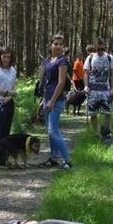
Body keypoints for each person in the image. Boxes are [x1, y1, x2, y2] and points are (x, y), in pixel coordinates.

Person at [39, 34, 73, 170]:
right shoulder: (47, 61)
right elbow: (44, 82)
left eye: (60, 44)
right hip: (47, 98)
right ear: (51, 45)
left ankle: (67, 160)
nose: (58, 46)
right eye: (55, 43)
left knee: (53, 131)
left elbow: (61, 82)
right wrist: (43, 100)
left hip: (56, 100)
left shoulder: (62, 61)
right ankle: (54, 158)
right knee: (49, 131)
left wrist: (52, 100)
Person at [84, 37, 113, 142]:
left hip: (105, 90)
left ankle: (107, 133)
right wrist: (86, 86)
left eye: (102, 49)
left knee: (108, 112)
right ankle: (97, 133)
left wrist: (112, 88)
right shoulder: (90, 58)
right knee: (93, 113)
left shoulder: (109, 57)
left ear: (104, 47)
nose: (100, 51)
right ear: (95, 48)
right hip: (93, 90)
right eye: (98, 49)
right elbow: (86, 73)